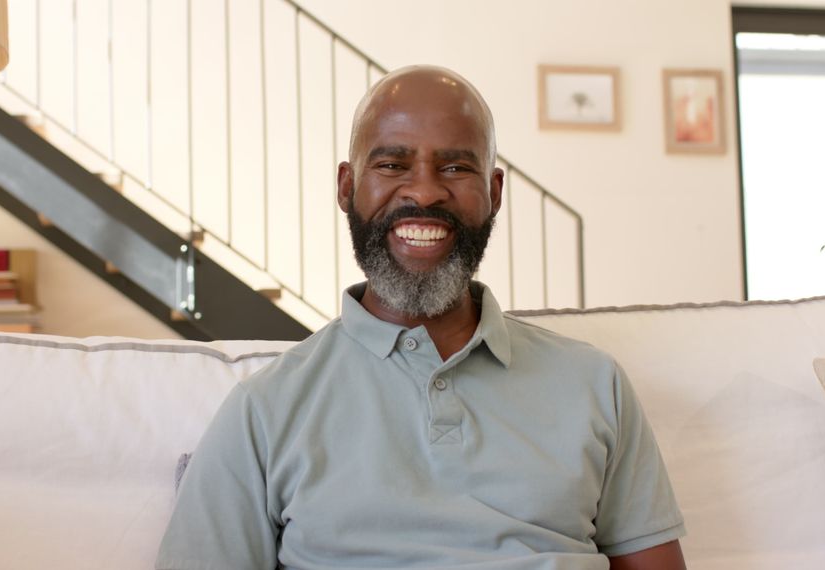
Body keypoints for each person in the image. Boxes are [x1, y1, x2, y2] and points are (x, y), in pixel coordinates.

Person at [156, 65, 687, 570]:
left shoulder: (595, 384)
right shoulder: (264, 411)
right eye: (392, 164)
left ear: (494, 193)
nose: (426, 191)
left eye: (456, 167)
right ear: (347, 187)